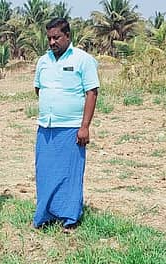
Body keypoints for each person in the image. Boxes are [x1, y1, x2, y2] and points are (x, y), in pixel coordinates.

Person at [32, 17, 99, 231]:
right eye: (49, 38)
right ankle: (45, 215)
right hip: (46, 126)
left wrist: (85, 126)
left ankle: (70, 218)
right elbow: (38, 89)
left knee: (70, 173)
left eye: (57, 37)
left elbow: (91, 93)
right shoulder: (43, 61)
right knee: (44, 171)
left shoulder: (83, 60)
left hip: (71, 127)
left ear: (68, 36)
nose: (52, 42)